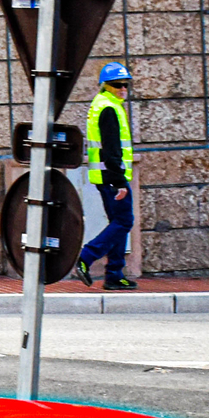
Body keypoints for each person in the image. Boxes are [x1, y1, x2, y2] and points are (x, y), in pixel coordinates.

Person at [76, 62, 137, 290]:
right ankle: (86, 257)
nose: (122, 89)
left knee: (118, 222)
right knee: (124, 221)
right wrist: (120, 181)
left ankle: (114, 275)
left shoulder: (103, 104)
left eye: (125, 84)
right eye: (116, 85)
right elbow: (112, 150)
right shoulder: (109, 108)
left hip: (106, 176)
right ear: (105, 86)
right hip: (112, 177)